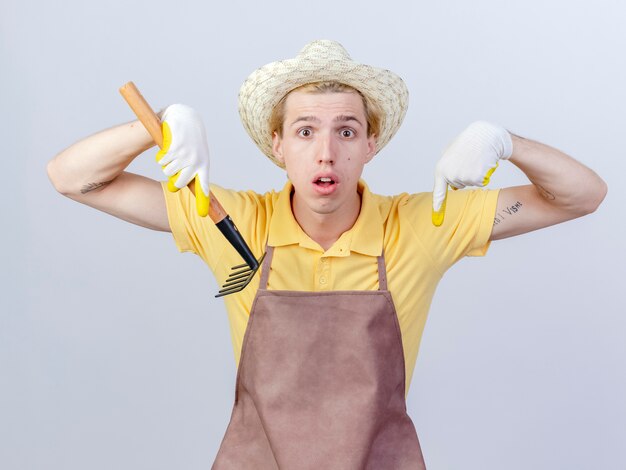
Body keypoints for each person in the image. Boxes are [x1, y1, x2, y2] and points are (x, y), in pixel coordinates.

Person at [47, 40, 607, 469]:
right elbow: (72, 179)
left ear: (371, 145)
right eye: (305, 130)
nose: (325, 152)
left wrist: (505, 142)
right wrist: (158, 125)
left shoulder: (423, 225)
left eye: (346, 131)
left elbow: (583, 195)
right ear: (278, 146)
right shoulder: (229, 221)